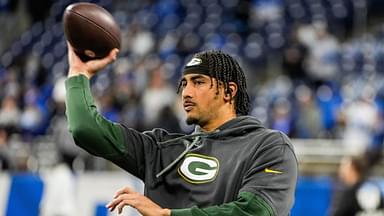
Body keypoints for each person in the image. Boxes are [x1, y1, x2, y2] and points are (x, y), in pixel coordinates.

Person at [65, 43, 298, 215]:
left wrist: (166, 215)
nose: (186, 92)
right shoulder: (162, 150)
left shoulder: (269, 146)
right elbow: (86, 130)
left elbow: (255, 212)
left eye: (198, 82)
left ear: (229, 91)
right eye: (184, 84)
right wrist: (78, 73)